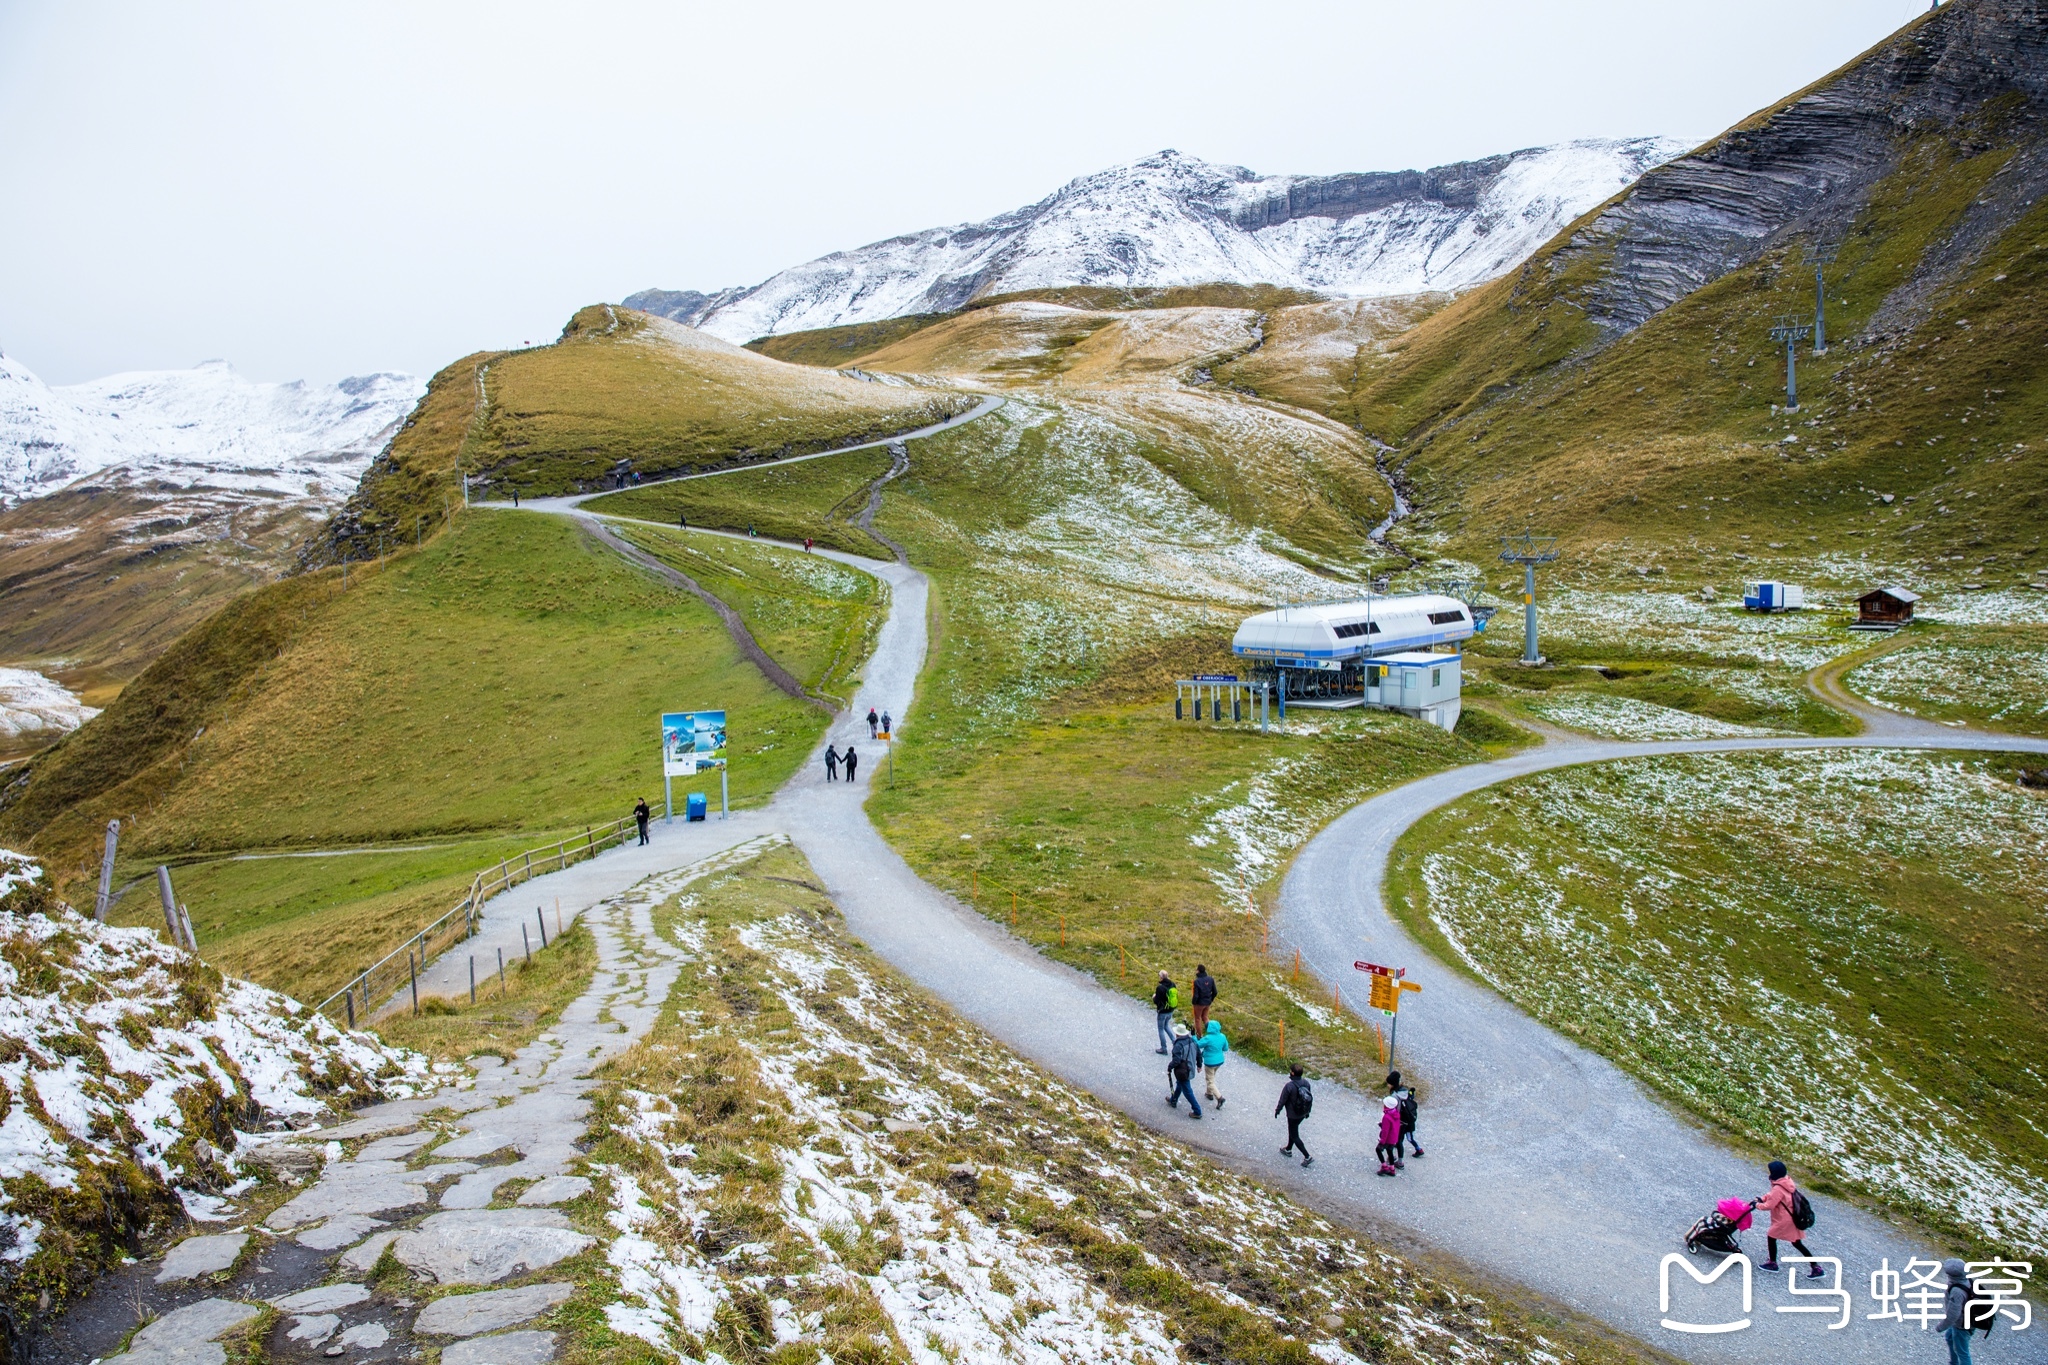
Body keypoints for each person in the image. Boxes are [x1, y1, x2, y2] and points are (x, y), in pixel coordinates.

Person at [1754, 1160, 1822, 1275]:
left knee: (1771, 1236)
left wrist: (1757, 1205)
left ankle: (1772, 1263)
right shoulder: (1786, 1182)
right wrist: (1763, 1198)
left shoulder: (1778, 1188)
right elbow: (1772, 1196)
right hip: (1793, 1218)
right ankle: (1816, 1267)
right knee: (1797, 1243)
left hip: (1784, 1220)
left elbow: (1769, 1205)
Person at [1685, 1199, 1755, 1256]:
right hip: (1723, 1225)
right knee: (1703, 1221)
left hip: (1721, 1225)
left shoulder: (1729, 1220)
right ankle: (1694, 1236)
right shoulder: (1733, 1220)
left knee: (1702, 1222)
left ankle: (1689, 1238)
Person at [1275, 1065, 1313, 1167]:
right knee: (1292, 1130)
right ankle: (1288, 1149)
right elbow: (1308, 1098)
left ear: (1292, 1073)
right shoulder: (1306, 1083)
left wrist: (1277, 1110)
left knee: (1295, 1135)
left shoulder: (1289, 1086)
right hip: (1302, 1113)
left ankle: (1307, 1156)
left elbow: (1282, 1100)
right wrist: (1307, 1112)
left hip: (1293, 1115)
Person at [1939, 1259, 1975, 1365]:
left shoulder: (1957, 1291)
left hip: (1961, 1325)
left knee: (1962, 1352)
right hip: (1964, 1322)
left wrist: (1940, 1327)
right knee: (1950, 1337)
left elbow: (1953, 1315)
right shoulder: (1967, 1280)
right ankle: (1954, 1363)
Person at [1166, 1023, 1202, 1118]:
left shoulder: (1178, 1045)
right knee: (1180, 1084)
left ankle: (1197, 1110)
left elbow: (1176, 1060)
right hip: (1190, 1068)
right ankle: (1173, 1099)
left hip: (1182, 1071)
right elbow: (1199, 1053)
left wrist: (1170, 1067)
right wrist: (1199, 1065)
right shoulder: (1192, 1041)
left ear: (1177, 1034)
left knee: (1187, 1090)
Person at [1385, 1071, 1424, 1158]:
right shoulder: (1404, 1090)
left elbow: (1396, 1109)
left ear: (1392, 1084)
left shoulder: (1395, 1096)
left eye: (1388, 1084)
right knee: (1407, 1137)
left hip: (1404, 1121)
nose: (1387, 1085)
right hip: (1410, 1118)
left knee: (1407, 1138)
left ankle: (1418, 1149)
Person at [1197, 1019, 1229, 1108]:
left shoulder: (1208, 1038)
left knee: (1210, 1081)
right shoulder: (1223, 1036)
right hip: (1219, 1061)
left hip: (1210, 1062)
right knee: (1212, 1076)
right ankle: (1209, 1093)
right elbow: (1225, 1048)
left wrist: (1194, 1037)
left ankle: (1219, 1097)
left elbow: (1198, 1045)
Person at [1376, 1095, 1404, 1176]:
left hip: (1387, 1139)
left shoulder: (1386, 1117)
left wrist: (1382, 1141)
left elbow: (1385, 1131)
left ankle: (1384, 1166)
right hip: (1393, 1138)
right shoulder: (1396, 1113)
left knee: (1378, 1150)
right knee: (1390, 1152)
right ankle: (1392, 1169)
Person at [1152, 971, 1177, 1054]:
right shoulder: (1172, 984)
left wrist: (1154, 997)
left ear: (1161, 977)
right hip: (1171, 1010)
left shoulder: (1160, 988)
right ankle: (1175, 1042)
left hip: (1163, 1011)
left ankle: (1163, 1048)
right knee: (1166, 1026)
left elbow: (1157, 1001)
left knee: (1161, 1029)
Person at [1191, 964, 1217, 1034]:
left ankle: (1199, 1036)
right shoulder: (1210, 979)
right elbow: (1215, 992)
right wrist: (1210, 1000)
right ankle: (1211, 1032)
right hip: (1207, 1002)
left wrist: (1193, 1002)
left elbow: (1196, 995)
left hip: (1199, 1003)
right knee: (1205, 1017)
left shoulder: (1197, 981)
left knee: (1197, 1019)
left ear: (1198, 971)